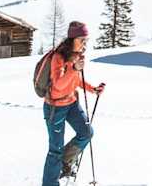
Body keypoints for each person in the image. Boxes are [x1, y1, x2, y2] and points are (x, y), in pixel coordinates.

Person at [42, 21, 105, 186]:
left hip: (71, 103)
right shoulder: (58, 57)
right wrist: (74, 69)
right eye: (82, 39)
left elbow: (75, 80)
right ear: (72, 39)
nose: (85, 43)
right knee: (55, 149)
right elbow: (58, 85)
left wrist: (93, 89)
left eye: (86, 40)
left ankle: (64, 162)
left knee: (86, 132)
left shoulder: (77, 56)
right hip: (54, 108)